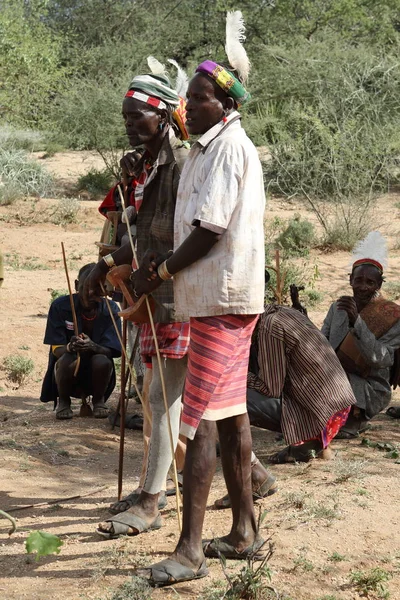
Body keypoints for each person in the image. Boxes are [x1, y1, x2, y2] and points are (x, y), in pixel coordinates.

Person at [132, 25, 267, 585]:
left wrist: (160, 270)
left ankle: (189, 552)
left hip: (222, 300)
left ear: (227, 102)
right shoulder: (206, 149)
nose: (191, 104)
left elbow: (208, 231)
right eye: (189, 98)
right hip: (218, 299)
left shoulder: (228, 149)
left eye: (201, 98)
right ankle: (245, 532)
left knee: (202, 425)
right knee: (232, 420)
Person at [84, 63, 191, 534]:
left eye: (137, 117)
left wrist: (135, 267)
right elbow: (136, 230)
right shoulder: (145, 166)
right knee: (164, 397)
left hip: (177, 292)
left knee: (161, 396)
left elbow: (181, 234)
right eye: (125, 117)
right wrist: (108, 266)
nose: (129, 125)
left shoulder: (183, 162)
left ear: (164, 115)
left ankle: (151, 500)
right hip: (151, 294)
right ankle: (252, 473)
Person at [246, 304, 356, 463]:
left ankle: (309, 441)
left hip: (322, 414)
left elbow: (271, 389)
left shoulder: (269, 327)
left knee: (233, 393)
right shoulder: (284, 312)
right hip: (339, 406)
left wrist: (240, 374)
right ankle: (318, 444)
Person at [322, 231, 400, 438]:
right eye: (359, 280)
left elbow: (381, 359)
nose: (363, 287)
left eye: (370, 282)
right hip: (335, 377)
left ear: (380, 285)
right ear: (350, 280)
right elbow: (322, 345)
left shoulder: (392, 316)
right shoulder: (337, 308)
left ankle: (356, 419)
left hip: (370, 390)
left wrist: (357, 322)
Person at [40, 263, 121, 419]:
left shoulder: (111, 310)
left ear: (104, 290)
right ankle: (64, 401)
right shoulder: (60, 306)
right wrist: (70, 347)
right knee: (66, 359)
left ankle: (99, 401)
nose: (91, 292)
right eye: (86, 286)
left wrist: (93, 346)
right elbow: (56, 349)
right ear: (77, 285)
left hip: (98, 374)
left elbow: (114, 351)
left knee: (102, 361)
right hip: (68, 370)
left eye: (97, 288)